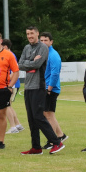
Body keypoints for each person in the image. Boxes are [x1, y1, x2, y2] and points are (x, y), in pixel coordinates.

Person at [18, 26, 64, 155]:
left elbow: (37, 65)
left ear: (37, 34)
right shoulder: (27, 48)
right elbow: (19, 64)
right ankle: (36, 147)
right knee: (31, 119)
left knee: (39, 117)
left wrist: (29, 63)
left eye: (32, 33)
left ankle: (56, 142)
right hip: (28, 87)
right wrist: (32, 61)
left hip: (39, 86)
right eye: (27, 33)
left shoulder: (43, 47)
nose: (30, 36)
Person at [39, 32, 67, 148]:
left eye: (46, 40)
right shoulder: (44, 53)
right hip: (47, 87)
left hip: (51, 88)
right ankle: (60, 135)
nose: (44, 43)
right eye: (42, 40)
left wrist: (49, 88)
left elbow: (55, 73)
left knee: (47, 114)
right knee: (49, 114)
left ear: (51, 42)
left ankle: (52, 140)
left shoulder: (53, 55)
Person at [1, 38, 25, 134]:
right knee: (9, 105)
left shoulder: (10, 55)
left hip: (12, 84)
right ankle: (18, 125)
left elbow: (14, 72)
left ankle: (13, 127)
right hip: (13, 84)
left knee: (6, 106)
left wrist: (5, 82)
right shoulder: (10, 55)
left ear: (5, 46)